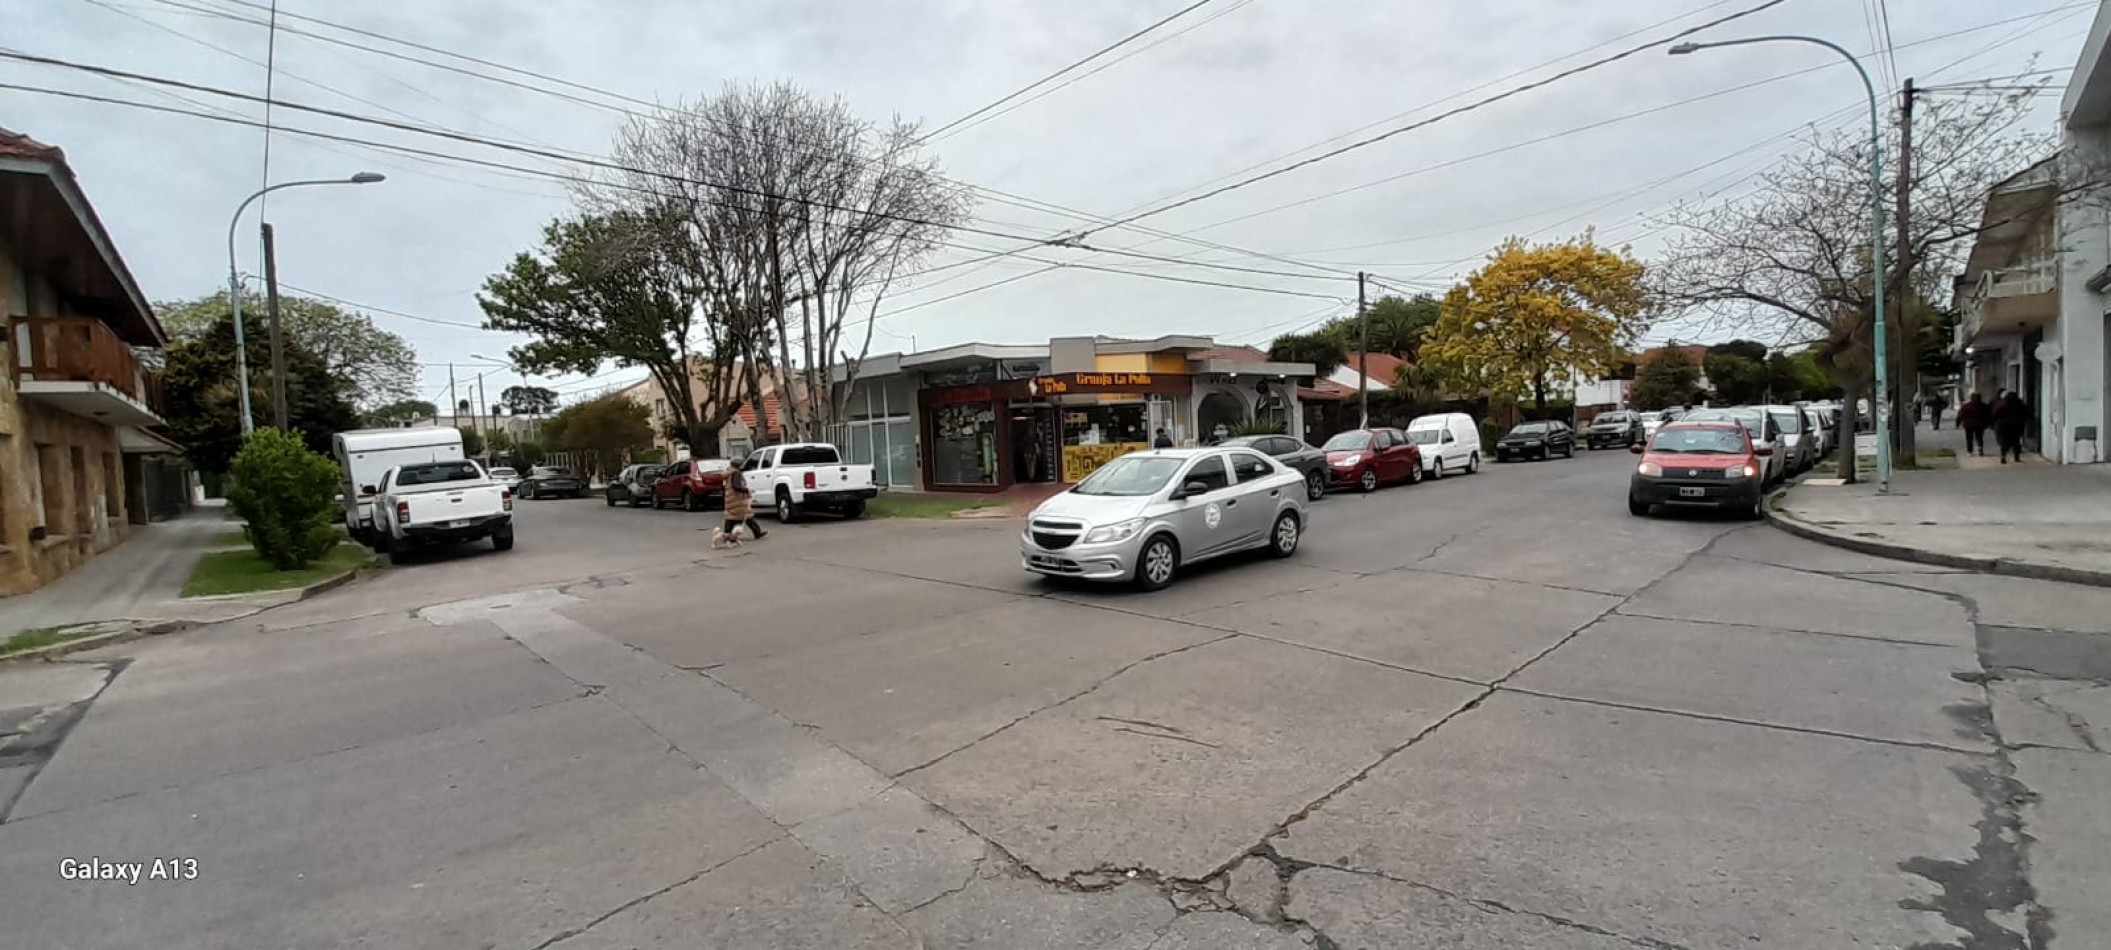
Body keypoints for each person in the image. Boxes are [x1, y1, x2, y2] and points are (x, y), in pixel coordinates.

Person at [717, 459, 766, 544]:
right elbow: (736, 486)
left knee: (732, 516)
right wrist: (746, 490)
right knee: (746, 515)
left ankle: (727, 535)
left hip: (730, 497)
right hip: (737, 498)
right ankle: (756, 532)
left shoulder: (728, 473)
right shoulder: (736, 473)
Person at [1992, 390, 2031, 464]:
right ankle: (2016, 457)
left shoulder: (2002, 404)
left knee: (2004, 442)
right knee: (2016, 441)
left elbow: (1995, 413)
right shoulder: (2020, 404)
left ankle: (2003, 456)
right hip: (2017, 425)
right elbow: (2027, 412)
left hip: (2003, 425)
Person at [1956, 392, 1990, 456]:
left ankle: (1970, 451)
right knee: (1979, 437)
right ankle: (1980, 449)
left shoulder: (1966, 406)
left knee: (1969, 438)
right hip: (1980, 424)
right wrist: (1988, 424)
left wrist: (1957, 423)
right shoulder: (1984, 406)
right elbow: (1988, 416)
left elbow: (1960, 415)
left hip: (1968, 425)